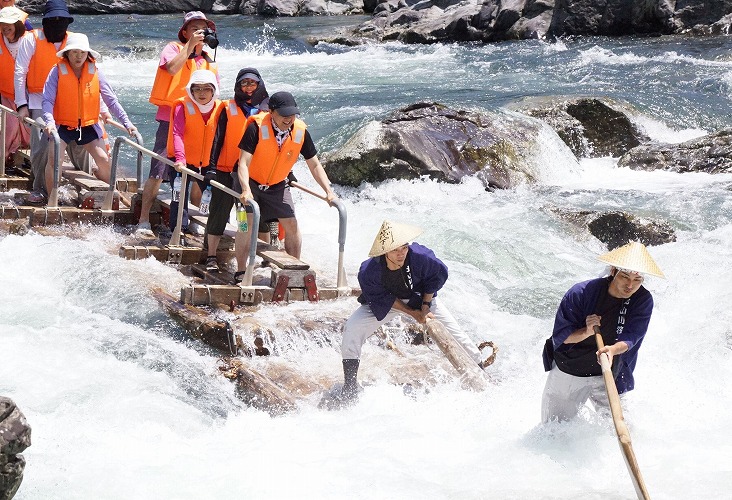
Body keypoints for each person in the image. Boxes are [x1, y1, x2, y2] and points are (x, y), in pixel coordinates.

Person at [339, 220, 486, 402]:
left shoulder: (421, 256)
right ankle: (349, 387)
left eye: (404, 248)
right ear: (385, 252)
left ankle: (482, 377)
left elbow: (436, 276)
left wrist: (424, 307)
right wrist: (412, 313)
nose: (401, 254)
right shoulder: (369, 271)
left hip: (422, 297)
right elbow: (381, 297)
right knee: (352, 328)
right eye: (395, 250)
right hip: (390, 302)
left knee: (458, 336)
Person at [541, 241, 665, 423]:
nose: (630, 285)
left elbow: (633, 336)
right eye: (625, 277)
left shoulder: (643, 299)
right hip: (570, 369)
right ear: (613, 272)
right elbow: (562, 336)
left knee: (623, 430)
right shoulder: (581, 293)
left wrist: (612, 350)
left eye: (637, 280)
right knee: (553, 429)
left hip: (609, 372)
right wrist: (586, 331)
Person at [235, 91, 338, 283]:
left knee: (291, 224)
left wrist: (328, 191)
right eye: (284, 114)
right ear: (271, 112)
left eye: (292, 114)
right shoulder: (255, 128)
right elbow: (242, 164)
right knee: (245, 225)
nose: (289, 119)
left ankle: (294, 271)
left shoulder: (300, 131)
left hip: (277, 185)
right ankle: (241, 271)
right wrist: (245, 189)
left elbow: (314, 164)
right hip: (249, 182)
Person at [136, 11, 218, 237]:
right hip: (170, 117)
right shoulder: (173, 48)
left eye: (204, 29)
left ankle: (193, 220)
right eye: (195, 29)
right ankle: (143, 219)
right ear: (185, 32)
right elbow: (171, 69)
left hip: (198, 122)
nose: (200, 33)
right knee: (159, 169)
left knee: (197, 172)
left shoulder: (208, 60)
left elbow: (215, 92)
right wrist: (189, 47)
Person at [14, 0, 92, 203]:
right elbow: (20, 72)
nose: (57, 24)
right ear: (45, 21)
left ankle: (86, 188)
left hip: (70, 100)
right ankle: (39, 187)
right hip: (39, 100)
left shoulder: (75, 41)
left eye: (62, 20)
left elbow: (92, 73)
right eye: (53, 20)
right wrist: (22, 104)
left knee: (81, 144)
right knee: (41, 146)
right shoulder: (31, 39)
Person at [41, 33, 137, 194]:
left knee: (105, 161)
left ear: (88, 54)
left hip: (87, 125)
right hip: (62, 125)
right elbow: (47, 101)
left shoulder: (95, 71)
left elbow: (111, 100)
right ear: (67, 54)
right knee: (54, 160)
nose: (79, 57)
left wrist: (127, 123)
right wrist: (49, 122)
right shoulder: (56, 71)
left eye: (82, 53)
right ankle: (52, 199)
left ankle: (108, 195)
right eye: (74, 52)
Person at [203, 67, 269, 272]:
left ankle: (262, 257)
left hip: (250, 173)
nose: (249, 87)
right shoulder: (227, 107)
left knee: (245, 215)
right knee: (218, 213)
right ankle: (211, 255)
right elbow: (217, 139)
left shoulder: (267, 110)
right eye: (244, 83)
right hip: (225, 171)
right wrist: (211, 167)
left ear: (259, 85)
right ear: (238, 86)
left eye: (252, 83)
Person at [167, 69, 222, 236]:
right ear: (190, 90)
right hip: (181, 161)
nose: (201, 93)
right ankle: (178, 231)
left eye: (206, 88)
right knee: (179, 197)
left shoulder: (221, 108)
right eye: (197, 88)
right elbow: (177, 133)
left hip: (208, 163)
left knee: (217, 197)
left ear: (213, 90)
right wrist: (180, 159)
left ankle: (218, 233)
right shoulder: (182, 106)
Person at [0, 6, 31, 169]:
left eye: (9, 23)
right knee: (10, 127)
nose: (5, 27)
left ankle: (21, 157)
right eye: (2, 23)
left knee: (26, 127)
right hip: (6, 92)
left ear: (17, 24)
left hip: (27, 92)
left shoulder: (28, 40)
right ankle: (5, 157)